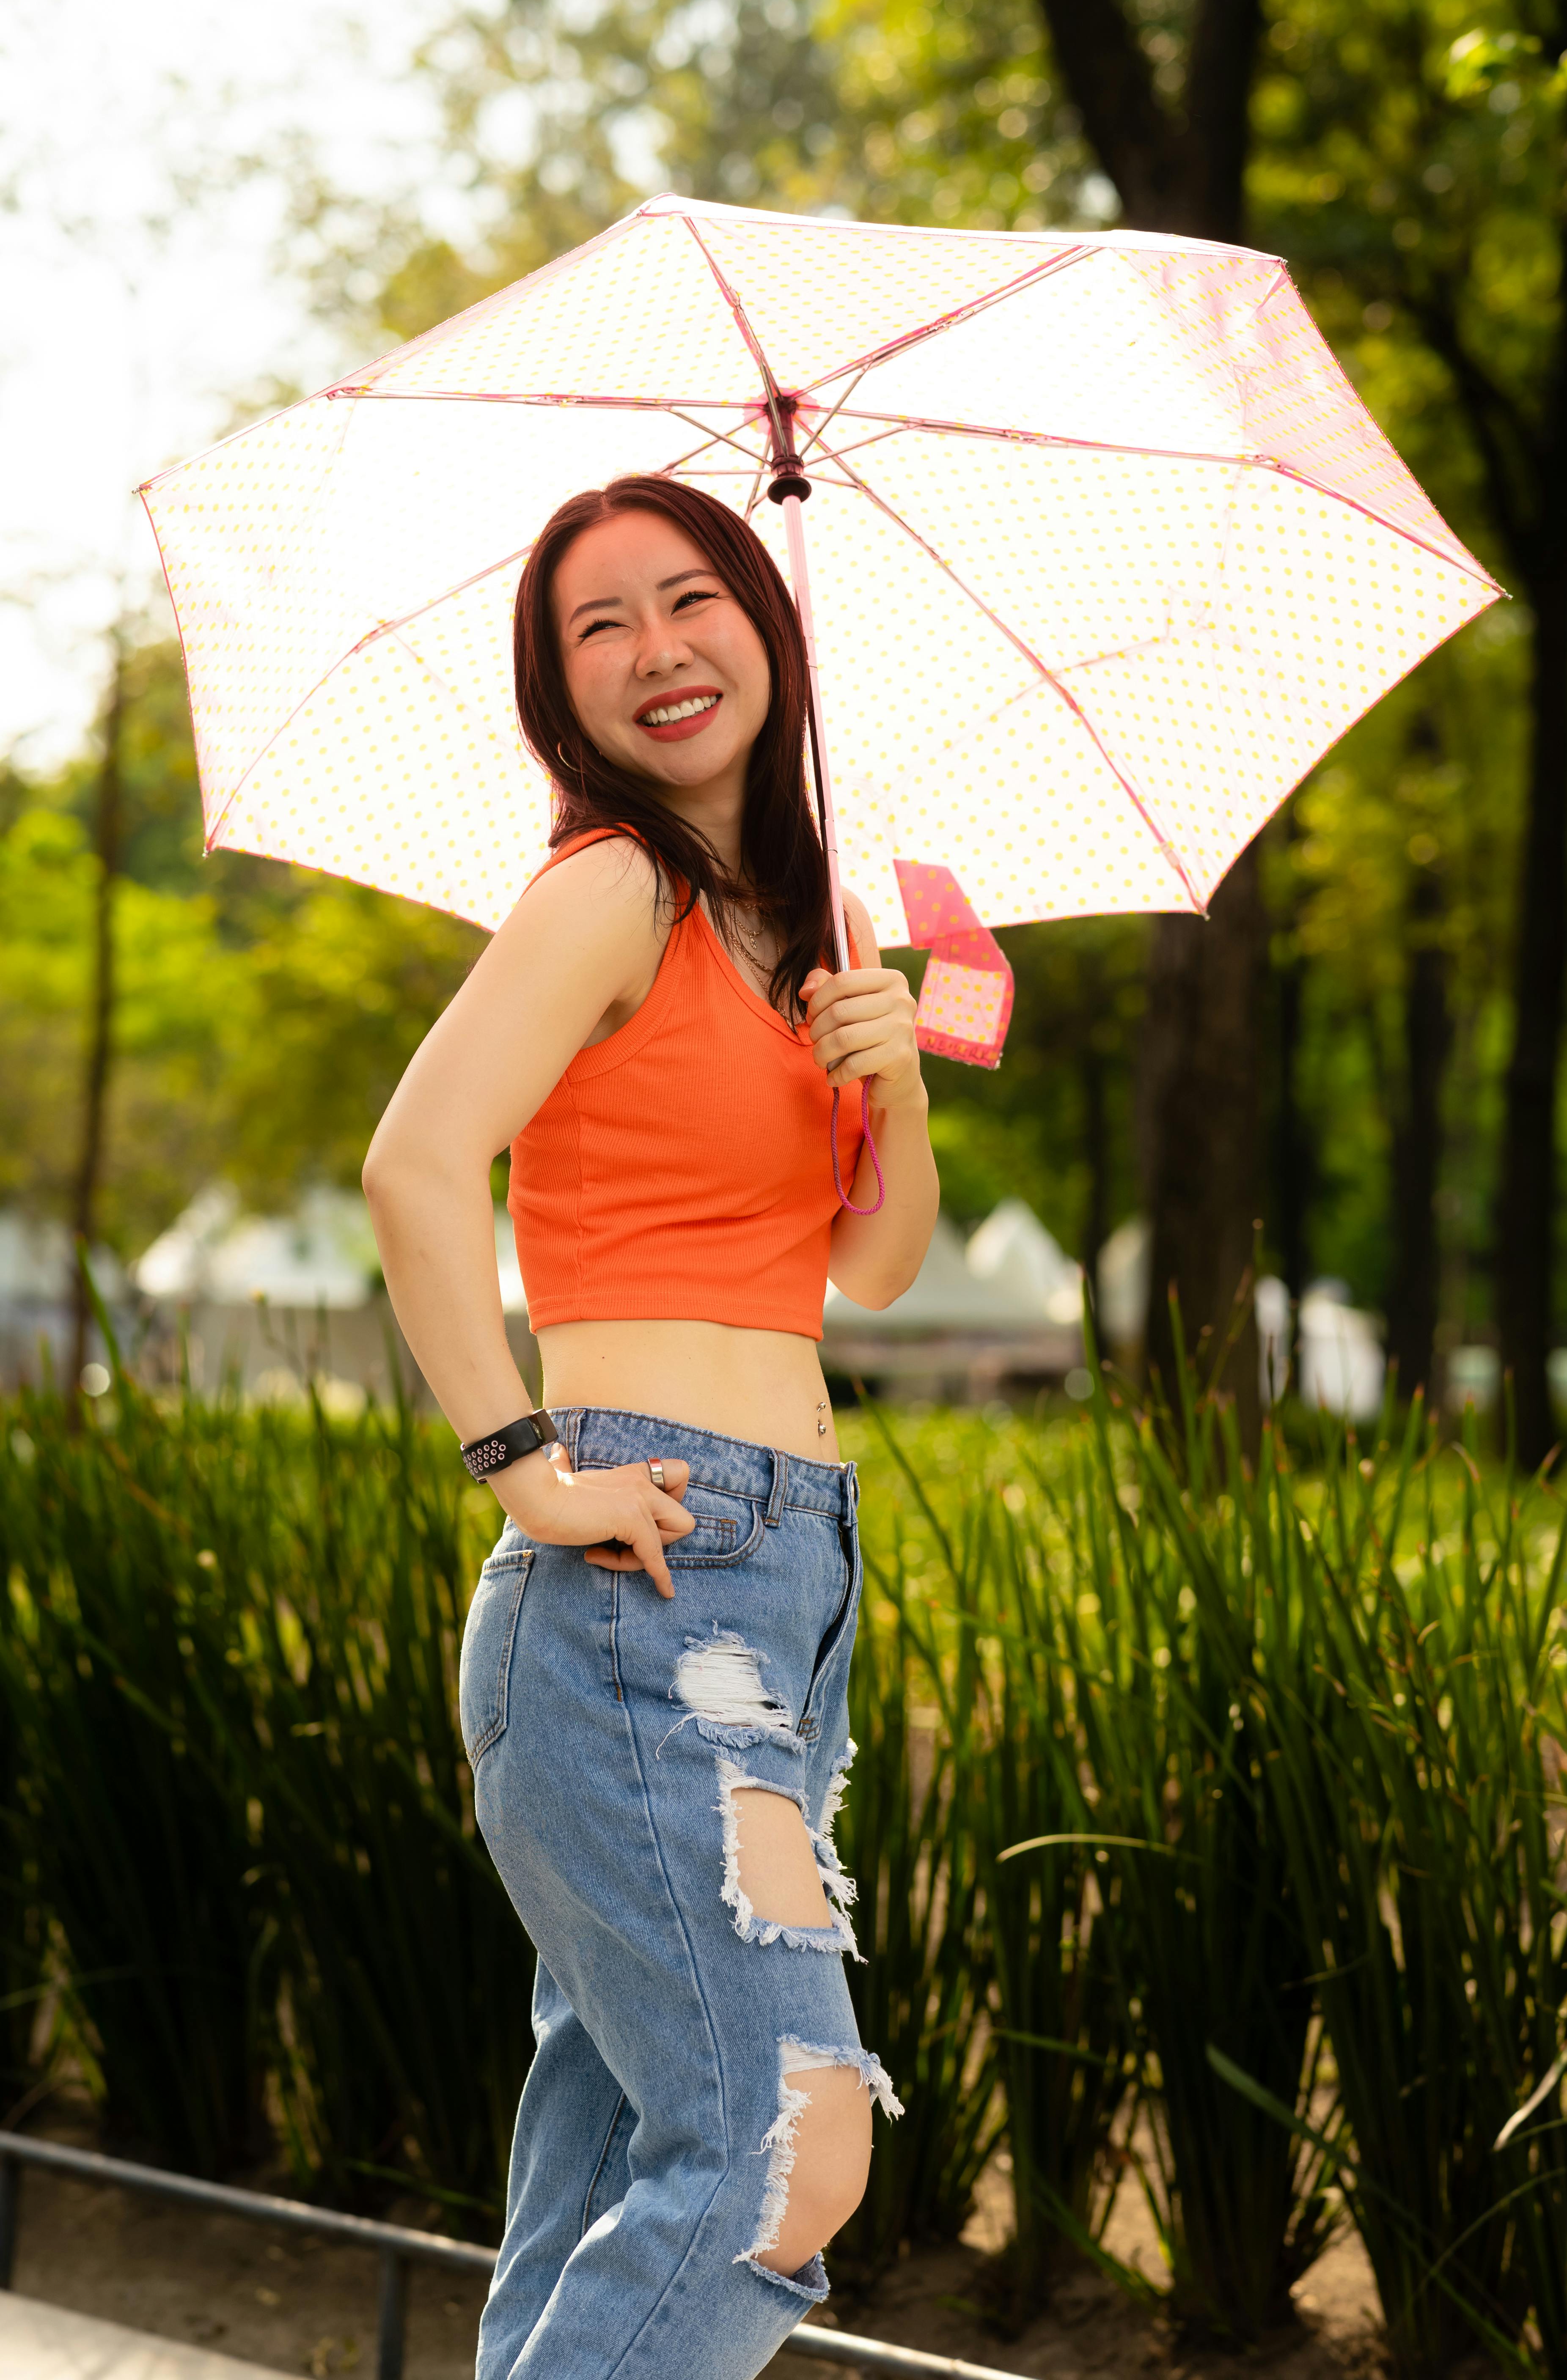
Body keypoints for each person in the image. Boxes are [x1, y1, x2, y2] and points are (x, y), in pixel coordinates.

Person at [363, 472, 938, 2380]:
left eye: (693, 601)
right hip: (640, 1582)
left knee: (611, 2157)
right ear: (560, 695)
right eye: (597, 629)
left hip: (785, 1583)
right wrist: (518, 1462)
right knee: (791, 2142)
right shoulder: (615, 886)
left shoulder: (817, 918)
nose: (656, 651)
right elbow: (419, 1164)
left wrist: (899, 1094)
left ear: (768, 630)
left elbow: (869, 1268)